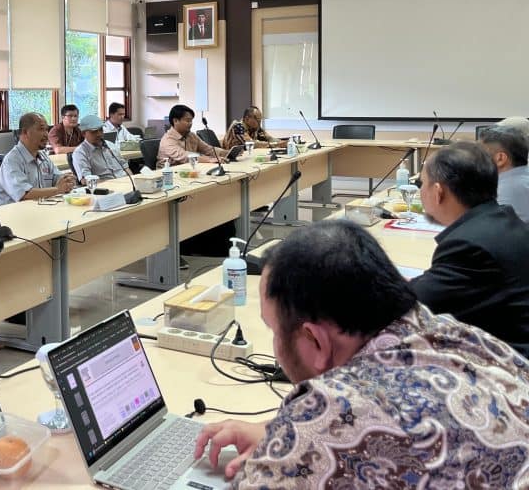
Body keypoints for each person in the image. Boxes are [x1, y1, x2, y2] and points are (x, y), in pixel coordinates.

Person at [194, 220, 529, 487]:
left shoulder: (330, 410)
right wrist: (274, 431)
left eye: (274, 331)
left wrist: (291, 440)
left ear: (316, 341)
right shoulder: (457, 335)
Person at [411, 140, 529, 356]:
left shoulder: (469, 247)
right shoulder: (502, 217)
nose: (420, 191)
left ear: (438, 192)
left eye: (421, 184)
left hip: (514, 365)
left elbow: (412, 307)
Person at [0, 113, 76, 206]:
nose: (46, 134)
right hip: (13, 215)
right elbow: (25, 194)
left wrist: (66, 181)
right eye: (41, 129)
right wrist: (58, 189)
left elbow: (57, 178)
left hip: (40, 208)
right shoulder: (12, 160)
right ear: (25, 132)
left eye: (47, 129)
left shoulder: (43, 156)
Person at [480, 126, 529, 223]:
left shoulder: (503, 191)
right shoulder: (524, 177)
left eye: (480, 154)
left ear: (500, 159)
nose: (475, 158)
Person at [157, 104, 228, 165]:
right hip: (167, 176)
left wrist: (227, 153)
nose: (190, 123)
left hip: (187, 172)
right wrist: (209, 160)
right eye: (188, 120)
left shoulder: (191, 135)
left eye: (191, 121)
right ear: (175, 121)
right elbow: (185, 157)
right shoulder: (168, 140)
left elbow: (208, 149)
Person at [71, 115, 129, 184]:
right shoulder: (80, 153)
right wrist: (113, 184)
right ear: (83, 133)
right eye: (94, 131)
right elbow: (85, 180)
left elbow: (126, 168)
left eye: (101, 130)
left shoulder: (110, 145)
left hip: (125, 183)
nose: (99, 134)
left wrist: (131, 183)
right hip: (106, 188)